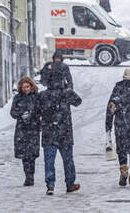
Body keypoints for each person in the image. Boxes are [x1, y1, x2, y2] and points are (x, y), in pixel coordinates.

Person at [38, 64, 82, 195]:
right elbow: (78, 101)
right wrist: (67, 90)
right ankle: (70, 184)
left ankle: (50, 185)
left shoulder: (43, 95)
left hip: (48, 132)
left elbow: (37, 110)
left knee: (49, 160)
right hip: (65, 132)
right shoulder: (67, 93)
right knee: (68, 159)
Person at [10, 77, 42, 186]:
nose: (25, 89)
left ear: (31, 86)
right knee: (24, 154)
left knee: (31, 154)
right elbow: (13, 112)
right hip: (21, 129)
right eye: (23, 87)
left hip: (33, 128)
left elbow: (41, 110)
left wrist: (33, 114)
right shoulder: (18, 98)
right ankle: (27, 176)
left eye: (27, 87)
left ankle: (31, 176)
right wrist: (21, 114)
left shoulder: (37, 97)